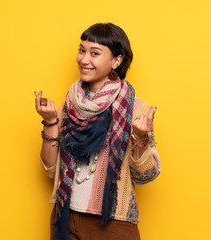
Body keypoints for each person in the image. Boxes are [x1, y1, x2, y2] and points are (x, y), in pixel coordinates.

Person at [34, 23, 161, 240]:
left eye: (95, 53)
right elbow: (50, 169)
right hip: (65, 217)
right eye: (82, 50)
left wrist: (141, 138)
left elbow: (146, 176)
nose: (84, 60)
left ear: (116, 61)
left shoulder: (134, 108)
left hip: (112, 223)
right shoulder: (69, 105)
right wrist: (50, 121)